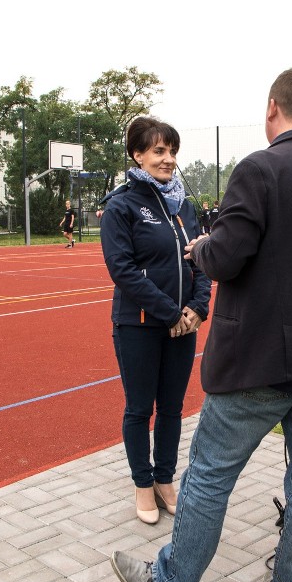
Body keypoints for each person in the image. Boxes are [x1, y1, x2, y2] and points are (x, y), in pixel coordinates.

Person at [110, 67, 292, 582]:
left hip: (258, 361)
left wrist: (202, 248)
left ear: (271, 108)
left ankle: (173, 579)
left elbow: (229, 255)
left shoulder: (260, 169)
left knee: (209, 474)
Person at [100, 116, 212, 526]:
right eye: (159, 151)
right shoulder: (122, 205)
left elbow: (202, 258)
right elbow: (122, 270)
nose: (168, 159)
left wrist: (198, 308)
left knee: (171, 408)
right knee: (138, 408)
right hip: (140, 324)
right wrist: (170, 312)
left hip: (184, 324)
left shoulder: (183, 204)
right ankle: (142, 483)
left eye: (172, 151)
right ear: (138, 155)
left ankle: (165, 479)